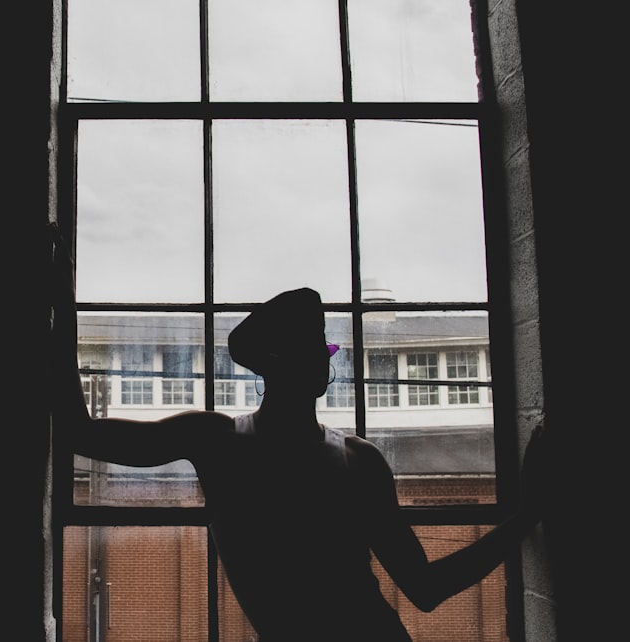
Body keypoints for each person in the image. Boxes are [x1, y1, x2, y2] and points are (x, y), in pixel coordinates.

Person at [47, 223, 548, 641]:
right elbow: (82, 435)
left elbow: (424, 587)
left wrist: (527, 515)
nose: (324, 356)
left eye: (323, 345)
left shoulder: (345, 458)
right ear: (275, 362)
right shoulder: (231, 442)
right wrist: (60, 305)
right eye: (314, 346)